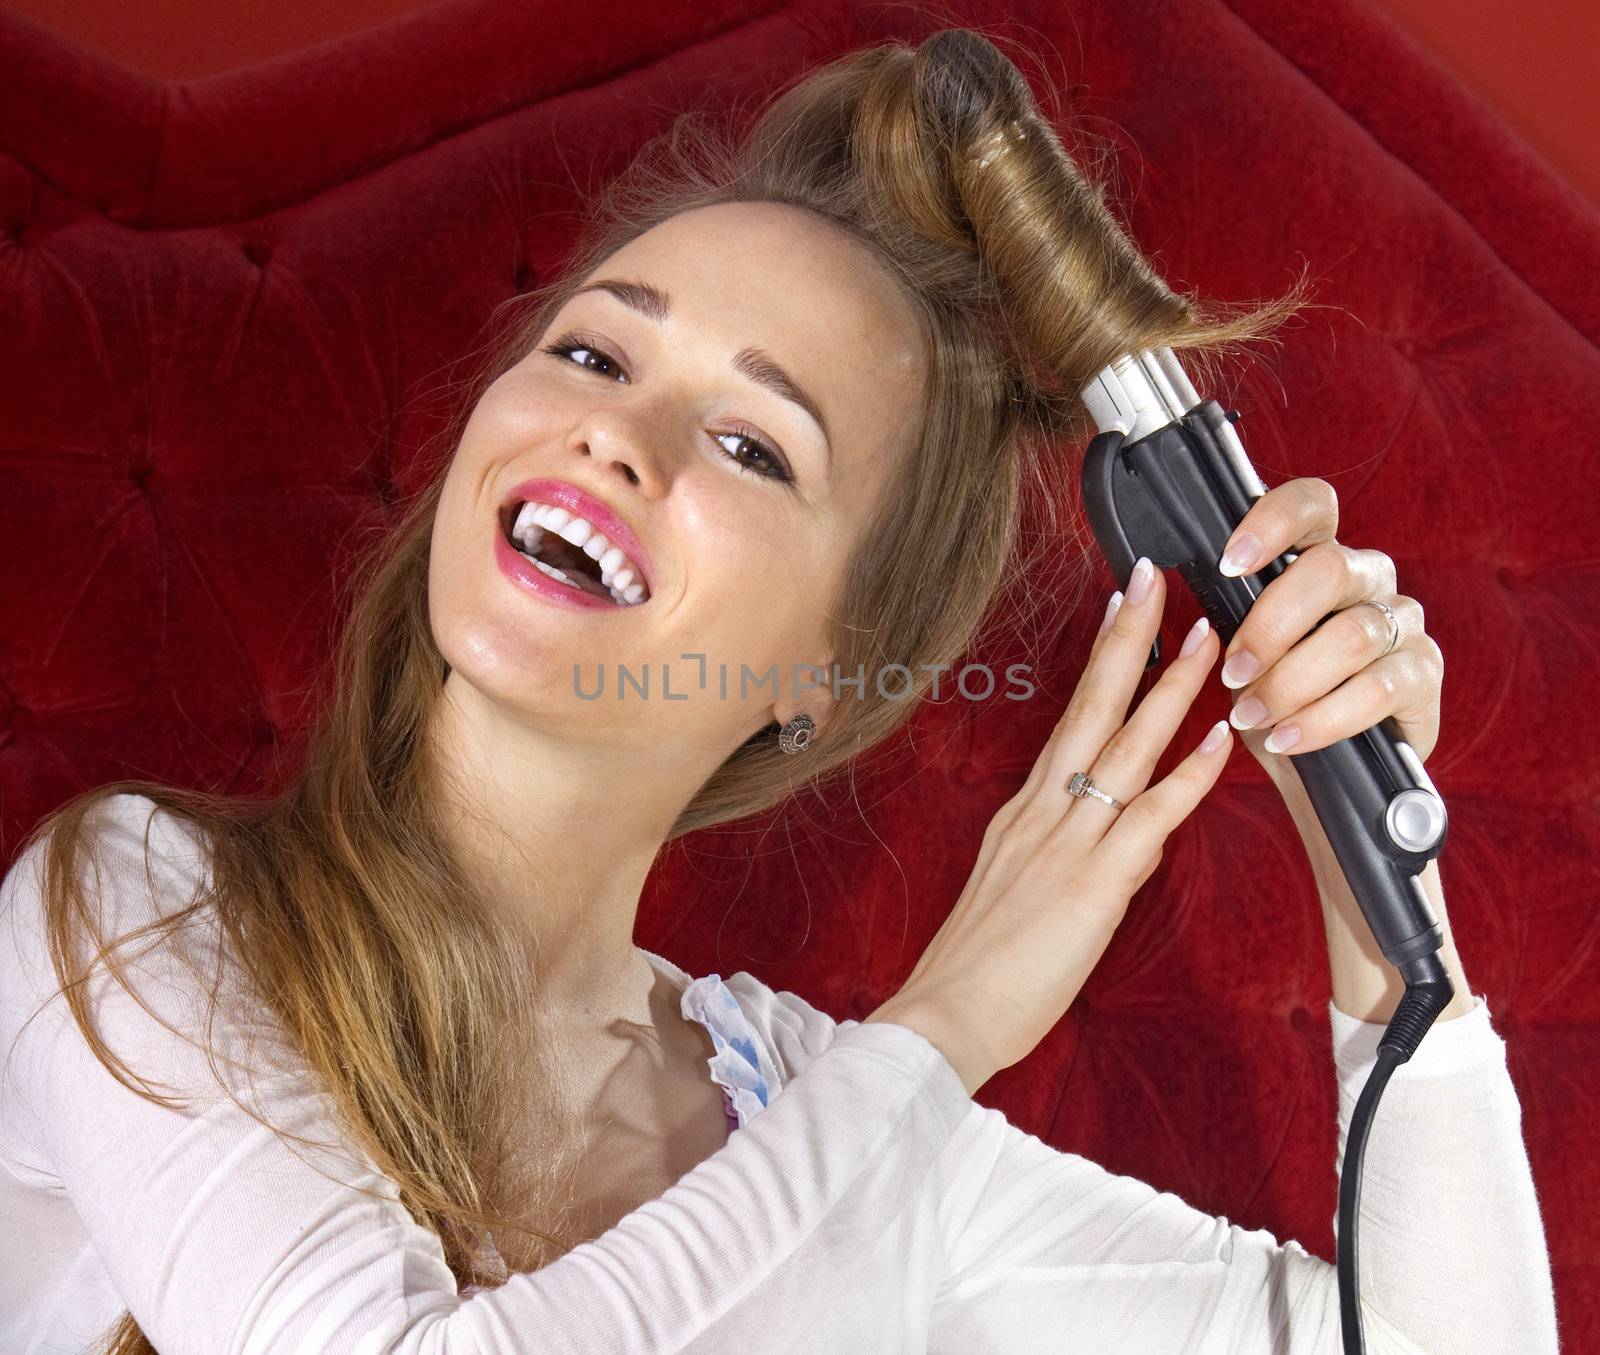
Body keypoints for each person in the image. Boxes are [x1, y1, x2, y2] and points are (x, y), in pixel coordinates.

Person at [0, 27, 1557, 1355]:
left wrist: (1373, 889)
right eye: (598, 356)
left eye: (755, 447)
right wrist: (943, 1026)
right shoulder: (135, 911)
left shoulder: (815, 1112)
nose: (617, 438)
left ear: (831, 668)